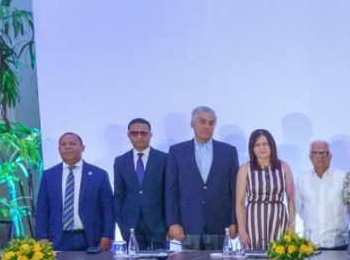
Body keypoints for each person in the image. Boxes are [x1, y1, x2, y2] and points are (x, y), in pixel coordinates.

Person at [165, 106, 239, 250]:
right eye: (202, 122)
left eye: (211, 123)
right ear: (192, 124)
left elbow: (234, 189)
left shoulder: (228, 151)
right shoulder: (177, 151)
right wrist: (173, 222)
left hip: (220, 224)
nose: (207, 126)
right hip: (188, 224)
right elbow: (171, 190)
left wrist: (234, 221)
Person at [34, 132, 114, 251]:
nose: (67, 147)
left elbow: (108, 209)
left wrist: (108, 235)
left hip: (91, 239)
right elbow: (42, 209)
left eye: (72, 143)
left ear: (82, 147)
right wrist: (41, 236)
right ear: (59, 149)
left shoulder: (99, 175)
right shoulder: (49, 175)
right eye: (63, 144)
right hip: (57, 239)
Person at [235, 129, 296, 250]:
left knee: (279, 256)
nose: (261, 148)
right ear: (252, 148)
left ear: (271, 146)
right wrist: (242, 230)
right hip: (253, 221)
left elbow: (291, 199)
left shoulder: (284, 167)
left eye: (265, 144)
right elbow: (240, 203)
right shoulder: (245, 169)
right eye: (257, 145)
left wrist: (292, 225)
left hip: (278, 219)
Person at [113, 118, 166, 249]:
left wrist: (169, 224)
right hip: (130, 225)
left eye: (143, 133)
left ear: (150, 135)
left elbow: (169, 194)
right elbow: (119, 194)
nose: (139, 137)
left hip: (158, 224)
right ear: (128, 135)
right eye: (134, 133)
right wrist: (121, 223)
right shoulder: (121, 161)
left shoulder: (164, 159)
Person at [294, 140, 348, 250]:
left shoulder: (343, 178)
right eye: (315, 153)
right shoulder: (302, 180)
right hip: (310, 245)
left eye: (324, 153)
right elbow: (300, 209)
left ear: (330, 156)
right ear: (310, 157)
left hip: (338, 244)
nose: (320, 157)